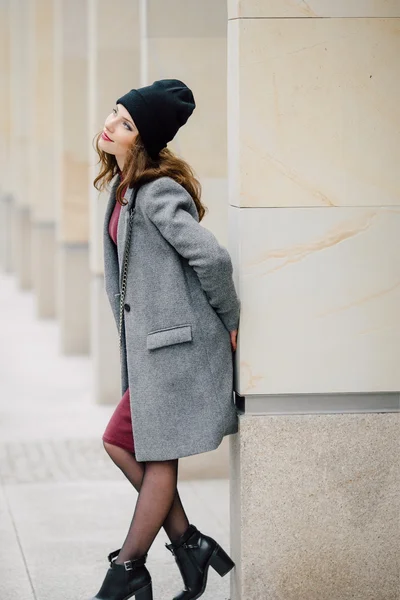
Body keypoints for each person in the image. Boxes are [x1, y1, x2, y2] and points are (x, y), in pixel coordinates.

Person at [91, 79, 241, 600]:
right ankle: (189, 544)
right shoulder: (123, 187)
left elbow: (213, 259)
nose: (111, 124)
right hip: (156, 350)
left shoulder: (156, 191)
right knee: (123, 442)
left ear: (144, 139)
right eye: (115, 113)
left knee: (149, 456)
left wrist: (231, 318)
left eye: (126, 123)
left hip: (176, 349)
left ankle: (128, 569)